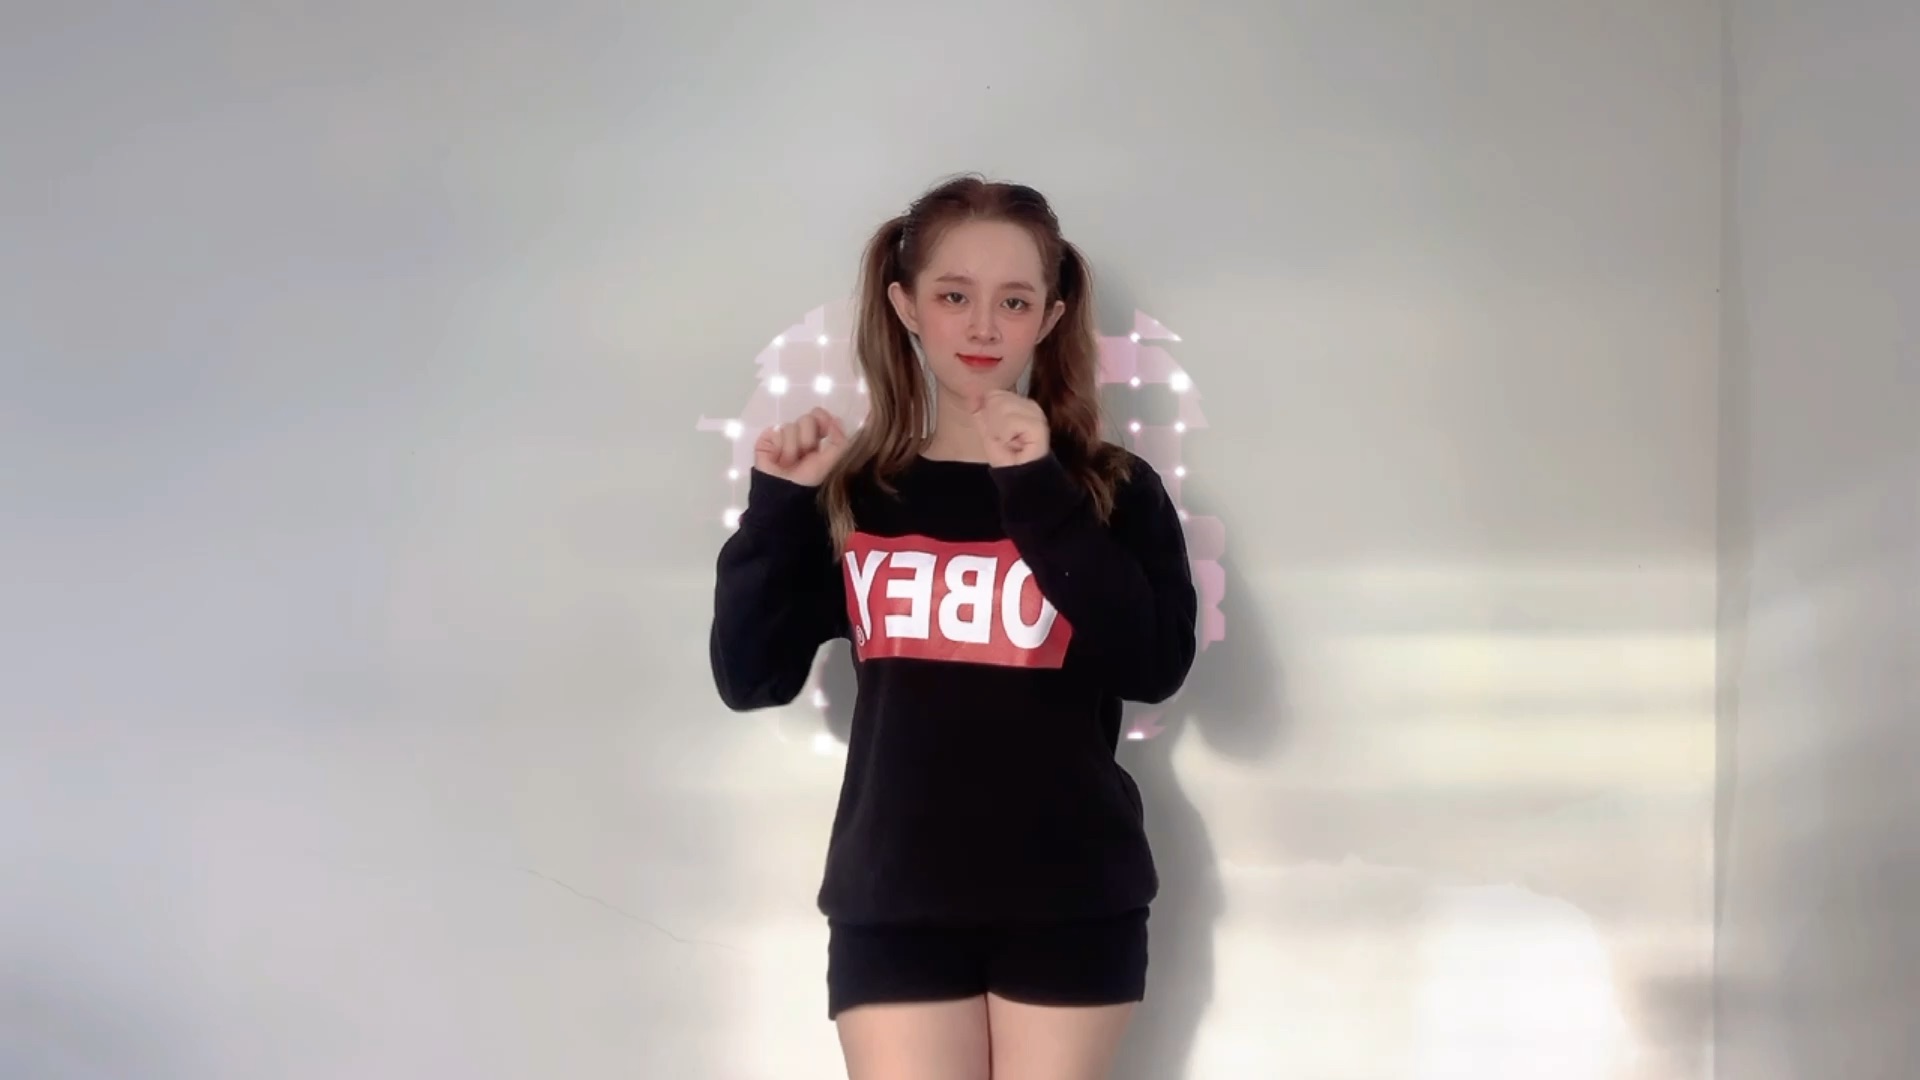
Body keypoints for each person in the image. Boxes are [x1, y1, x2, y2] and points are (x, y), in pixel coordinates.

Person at [708, 175, 1198, 1080]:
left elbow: (1154, 665)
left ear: (1050, 317)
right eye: (953, 296)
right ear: (906, 307)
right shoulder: (861, 495)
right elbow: (750, 678)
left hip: (1071, 898)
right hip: (891, 900)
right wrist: (778, 507)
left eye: (1014, 301)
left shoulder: (1113, 490)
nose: (983, 327)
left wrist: (1037, 488)